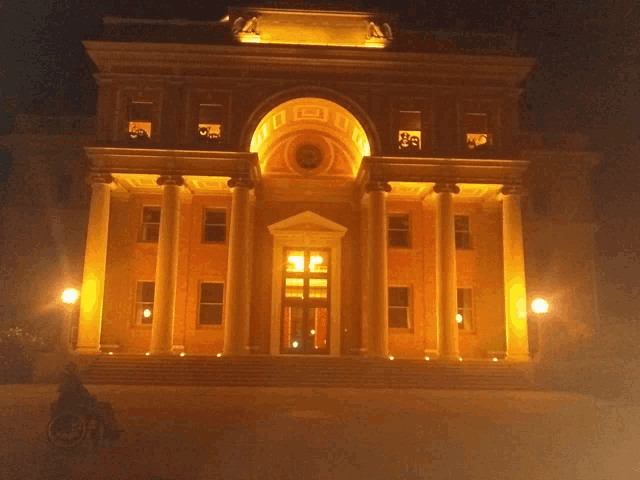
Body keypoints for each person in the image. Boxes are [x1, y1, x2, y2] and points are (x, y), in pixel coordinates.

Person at [50, 363, 120, 444]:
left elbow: (78, 395)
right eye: (76, 370)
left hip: (78, 404)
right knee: (104, 409)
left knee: (106, 407)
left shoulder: (69, 383)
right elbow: (77, 397)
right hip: (79, 407)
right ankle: (107, 431)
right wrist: (90, 398)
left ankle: (106, 430)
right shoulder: (72, 383)